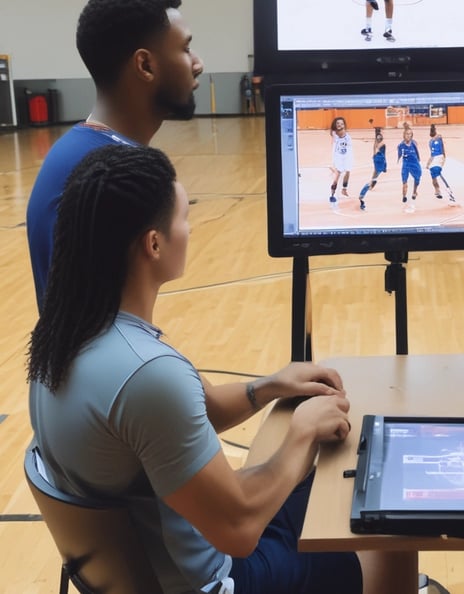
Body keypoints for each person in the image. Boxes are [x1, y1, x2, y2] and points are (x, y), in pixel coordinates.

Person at [27, 144, 417, 594]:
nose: (190, 229)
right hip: (221, 578)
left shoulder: (66, 339)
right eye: (183, 218)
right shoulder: (146, 374)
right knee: (388, 517)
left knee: (337, 486)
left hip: (167, 558)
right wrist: (303, 432)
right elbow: (239, 528)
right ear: (154, 243)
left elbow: (196, 412)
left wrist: (266, 387)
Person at [26, 0, 204, 311]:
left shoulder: (85, 152)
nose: (198, 63)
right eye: (186, 49)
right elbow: (92, 332)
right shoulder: (102, 177)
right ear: (145, 65)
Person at [425, 124, 457, 204]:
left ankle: (449, 194)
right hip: (435, 158)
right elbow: (432, 154)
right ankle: (437, 191)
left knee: (437, 174)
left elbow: (441, 146)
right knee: (433, 176)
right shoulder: (431, 141)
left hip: (439, 158)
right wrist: (428, 163)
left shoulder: (438, 138)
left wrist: (443, 155)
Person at [357, 127, 387, 211]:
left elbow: (376, 150)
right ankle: (365, 192)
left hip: (379, 161)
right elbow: (376, 150)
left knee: (374, 176)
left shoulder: (380, 145)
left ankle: (363, 194)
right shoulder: (380, 144)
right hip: (378, 161)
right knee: (374, 176)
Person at [329, 116, 354, 208]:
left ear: (344, 125)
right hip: (338, 157)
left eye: (341, 124)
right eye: (338, 123)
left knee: (348, 171)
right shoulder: (334, 134)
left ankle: (344, 189)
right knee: (337, 176)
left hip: (346, 156)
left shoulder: (347, 137)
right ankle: (332, 194)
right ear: (335, 125)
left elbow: (349, 150)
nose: (339, 125)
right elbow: (333, 132)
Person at [397, 125, 421, 212]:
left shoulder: (414, 143)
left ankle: (415, 191)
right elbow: (399, 155)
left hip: (414, 163)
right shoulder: (400, 145)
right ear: (404, 135)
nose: (408, 135)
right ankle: (404, 196)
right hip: (406, 164)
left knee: (417, 179)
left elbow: (417, 153)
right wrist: (399, 159)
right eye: (407, 134)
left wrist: (418, 160)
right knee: (404, 182)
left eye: (410, 134)